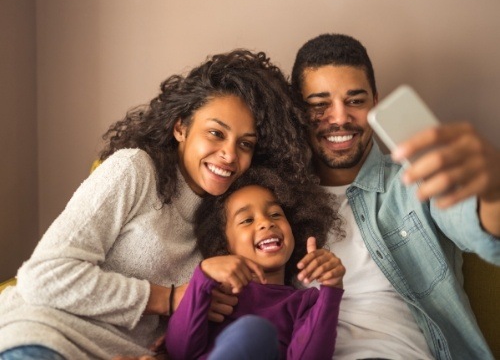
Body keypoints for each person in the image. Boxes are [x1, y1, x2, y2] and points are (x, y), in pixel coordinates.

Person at [0, 49, 313, 360]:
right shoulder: (135, 169)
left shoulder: (233, 220)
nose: (230, 155)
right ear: (180, 128)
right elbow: (44, 277)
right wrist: (169, 298)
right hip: (47, 339)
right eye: (216, 133)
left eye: (245, 144)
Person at [289, 33, 500, 359]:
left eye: (355, 101)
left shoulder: (417, 177)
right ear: (298, 112)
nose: (340, 117)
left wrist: (492, 191)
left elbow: (477, 226)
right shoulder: (278, 205)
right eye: (319, 105)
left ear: (375, 102)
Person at [165, 166, 345, 360]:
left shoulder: (306, 302)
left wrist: (331, 289)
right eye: (247, 220)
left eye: (276, 214)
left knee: (255, 332)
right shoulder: (216, 295)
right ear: (224, 244)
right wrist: (203, 276)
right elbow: (179, 351)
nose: (266, 223)